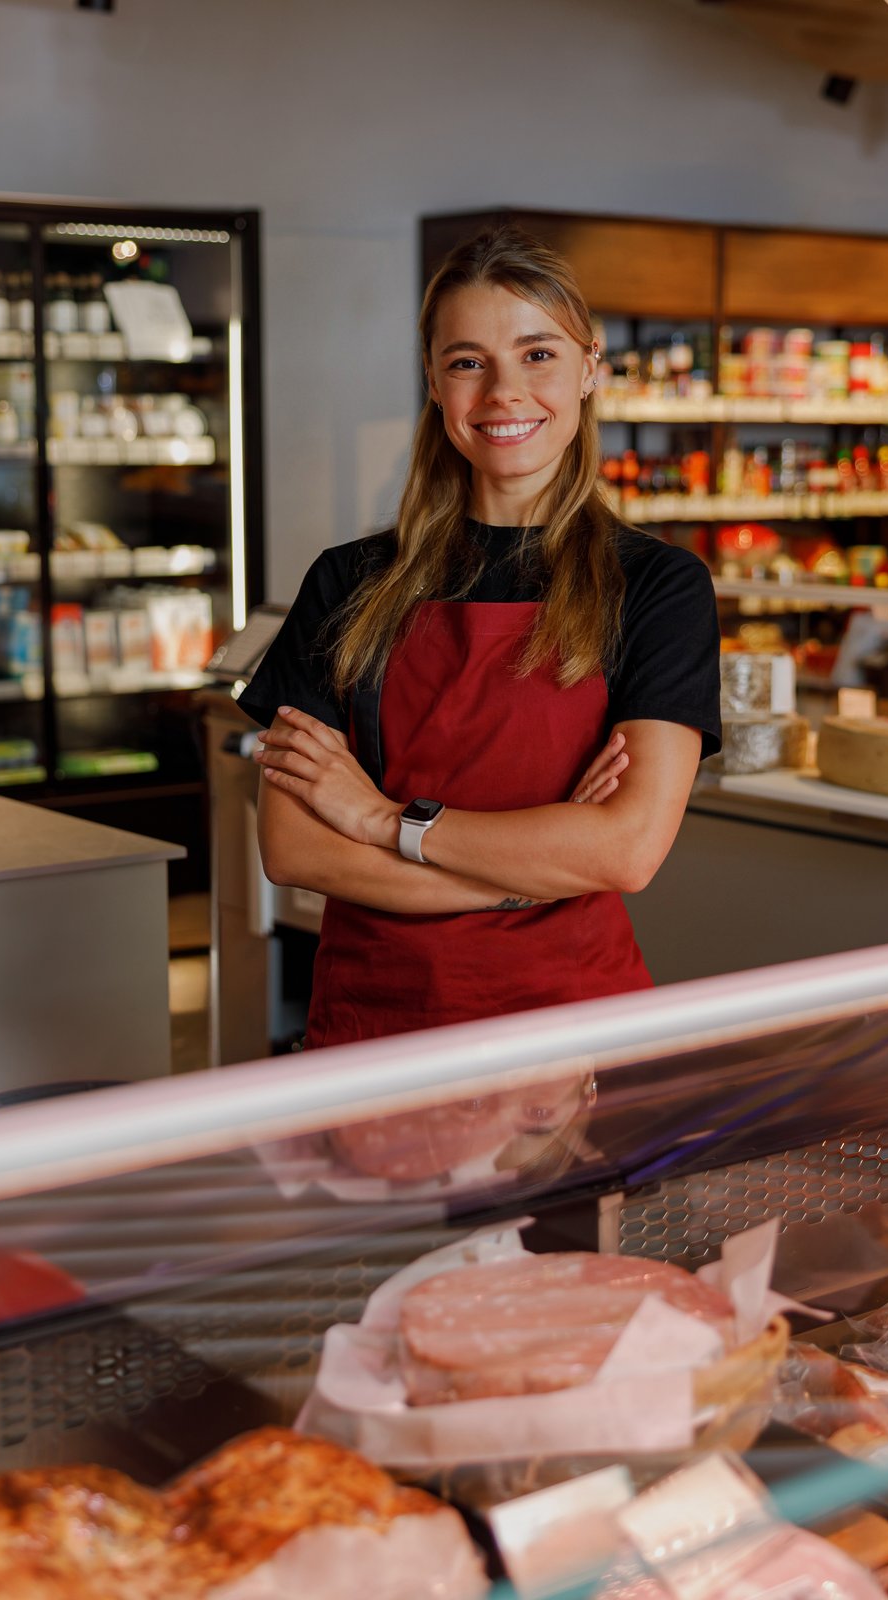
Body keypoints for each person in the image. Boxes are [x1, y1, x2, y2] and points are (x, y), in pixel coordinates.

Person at [238, 225, 719, 1049]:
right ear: (433, 379)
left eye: (538, 355)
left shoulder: (659, 587)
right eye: (468, 361)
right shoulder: (345, 582)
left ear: (590, 368)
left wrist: (386, 822)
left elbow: (627, 852)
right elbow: (293, 849)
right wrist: (535, 873)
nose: (504, 392)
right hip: (378, 1033)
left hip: (570, 1042)